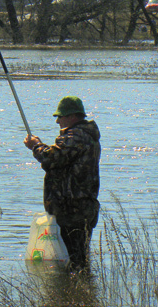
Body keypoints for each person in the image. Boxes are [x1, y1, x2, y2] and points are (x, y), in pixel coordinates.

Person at [24, 96, 101, 270]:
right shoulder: (85, 135)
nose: (58, 121)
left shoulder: (76, 136)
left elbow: (51, 158)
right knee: (77, 261)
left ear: (73, 116)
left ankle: (77, 291)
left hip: (73, 211)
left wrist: (36, 146)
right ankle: (80, 294)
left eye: (61, 116)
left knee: (73, 263)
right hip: (80, 208)